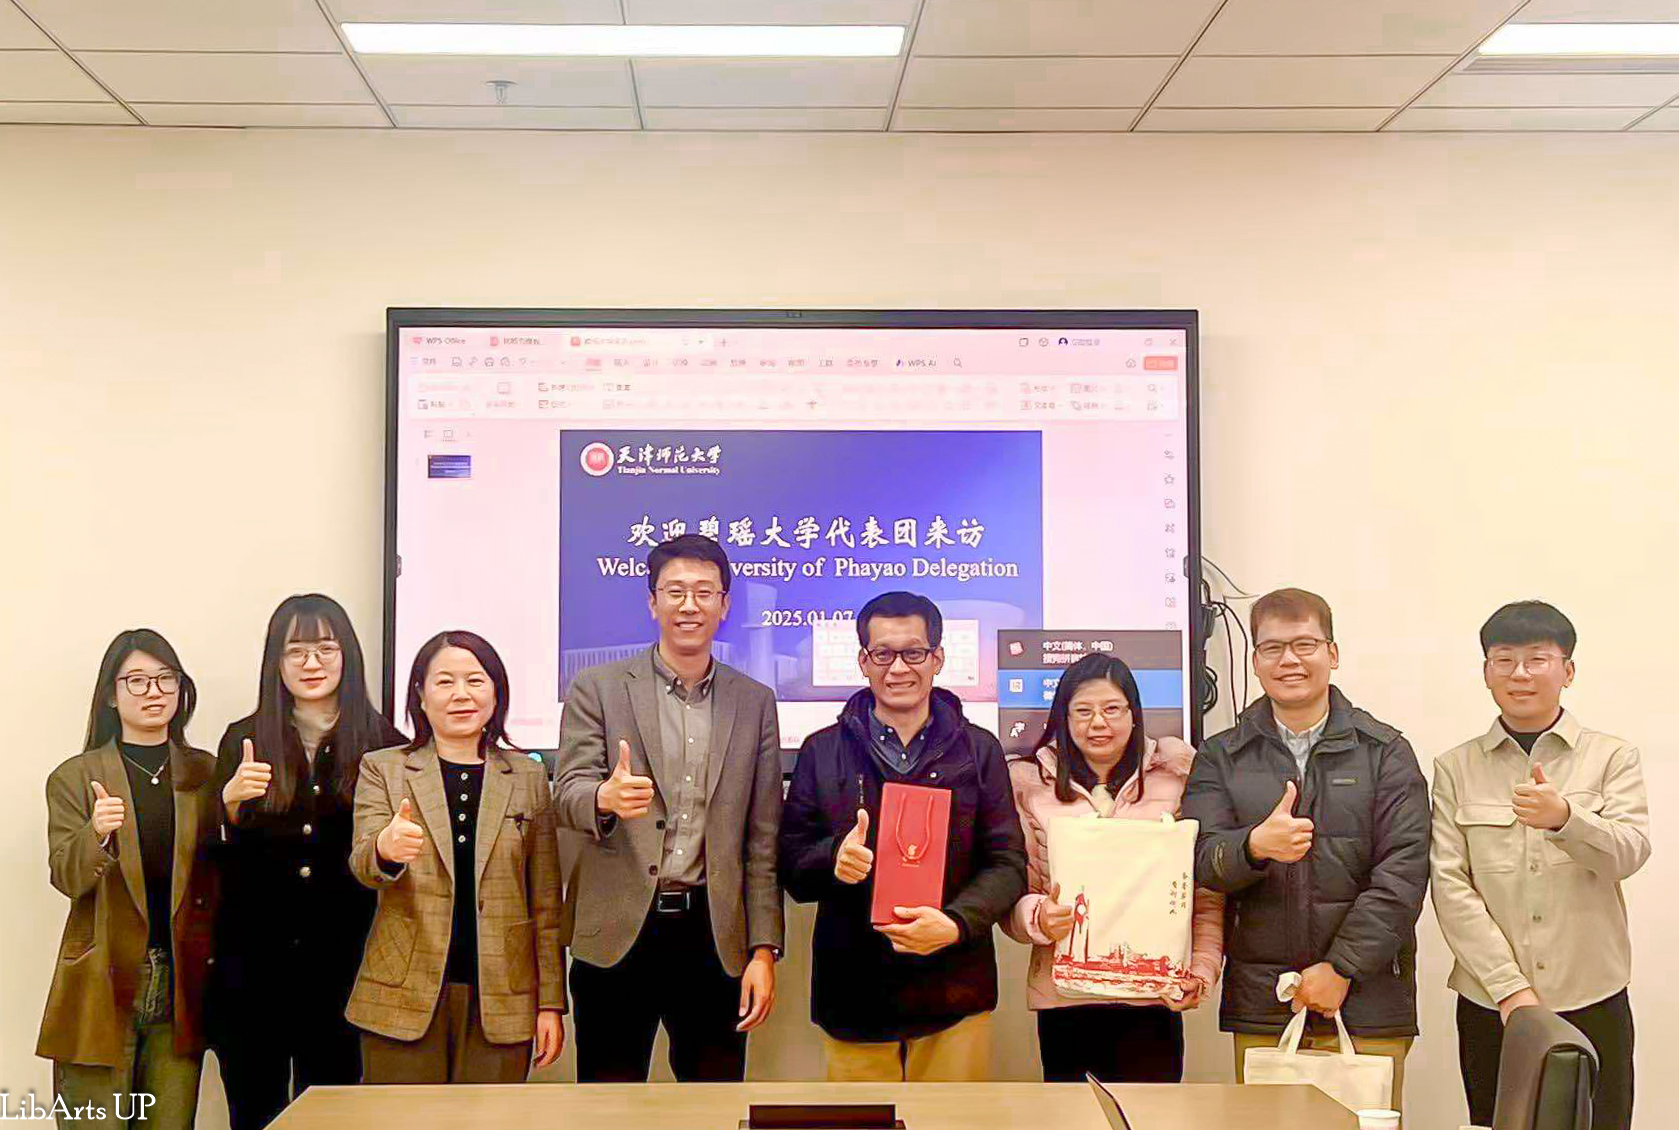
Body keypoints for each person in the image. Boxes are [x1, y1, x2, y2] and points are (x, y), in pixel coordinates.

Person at [1181, 588, 1429, 1108]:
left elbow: (1404, 873)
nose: (1289, 660)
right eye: (1272, 648)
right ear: (1255, 662)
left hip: (1368, 998)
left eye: (1304, 645)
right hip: (1266, 1002)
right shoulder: (1221, 755)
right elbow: (1198, 860)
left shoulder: (1385, 752)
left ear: (1331, 654)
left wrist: (1341, 968)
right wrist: (1253, 846)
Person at [554, 534, 784, 1082]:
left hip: (712, 935)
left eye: (704, 592)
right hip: (617, 932)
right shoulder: (598, 688)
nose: (689, 605)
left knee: (712, 1103)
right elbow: (567, 793)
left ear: (724, 605)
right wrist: (603, 799)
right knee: (607, 1104)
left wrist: (763, 949)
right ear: (652, 601)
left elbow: (762, 838)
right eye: (675, 591)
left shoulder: (754, 701)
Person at [780, 591, 1026, 1082]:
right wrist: (833, 859)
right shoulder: (821, 751)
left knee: (951, 1121)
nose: (898, 668)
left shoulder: (979, 750)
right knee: (860, 1120)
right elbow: (791, 866)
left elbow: (1008, 863)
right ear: (863, 662)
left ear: (937, 658)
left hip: (954, 990)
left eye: (913, 653)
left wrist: (956, 923)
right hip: (855, 994)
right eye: (882, 654)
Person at [1431, 601, 1649, 1130]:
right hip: (1492, 1001)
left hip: (1593, 994)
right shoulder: (1455, 767)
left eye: (1537, 659)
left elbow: (1629, 853)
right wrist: (1510, 990)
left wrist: (1567, 819)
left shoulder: (1612, 757)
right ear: (1487, 672)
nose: (1520, 674)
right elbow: (1450, 886)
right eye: (1504, 660)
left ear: (1567, 671)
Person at [208, 594, 406, 1130]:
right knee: (255, 1112)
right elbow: (213, 862)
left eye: (325, 648)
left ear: (348, 656)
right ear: (276, 661)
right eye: (296, 651)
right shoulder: (243, 739)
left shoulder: (386, 744)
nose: (311, 663)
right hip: (253, 973)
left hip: (347, 969)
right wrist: (228, 806)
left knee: (335, 1116)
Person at [346, 631, 564, 1083]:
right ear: (420, 695)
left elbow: (545, 902)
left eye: (475, 680)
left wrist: (550, 1004)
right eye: (444, 682)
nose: (461, 694)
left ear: (496, 693)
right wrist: (386, 849)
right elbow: (364, 862)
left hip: (502, 994)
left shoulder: (528, 776)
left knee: (492, 1118)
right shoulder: (383, 767)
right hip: (401, 990)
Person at [1003, 652, 1223, 1083]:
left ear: (1134, 714)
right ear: (1064, 718)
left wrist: (1200, 972)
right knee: (1070, 1115)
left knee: (1152, 1115)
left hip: (1153, 1001)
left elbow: (1205, 893)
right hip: (1066, 1002)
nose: (1098, 723)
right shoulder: (1030, 786)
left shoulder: (1178, 780)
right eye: (1083, 711)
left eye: (1112, 709)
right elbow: (1013, 890)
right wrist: (1038, 918)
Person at [38, 630, 219, 1129]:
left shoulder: (205, 773)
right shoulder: (75, 776)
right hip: (101, 981)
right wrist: (96, 833)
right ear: (111, 696)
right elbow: (65, 875)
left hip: (181, 985)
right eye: (136, 680)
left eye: (165, 678)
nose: (153, 691)